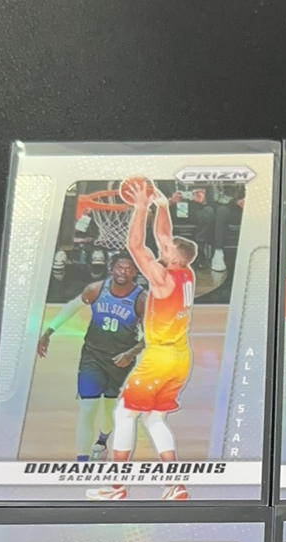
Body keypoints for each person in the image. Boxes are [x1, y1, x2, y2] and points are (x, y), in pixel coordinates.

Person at [89, 180, 198, 501]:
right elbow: (164, 236)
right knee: (153, 418)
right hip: (180, 357)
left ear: (174, 259)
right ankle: (175, 485)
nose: (162, 247)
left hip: (159, 357)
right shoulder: (186, 272)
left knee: (125, 414)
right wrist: (161, 205)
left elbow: (136, 246)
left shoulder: (163, 278)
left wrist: (140, 207)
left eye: (167, 249)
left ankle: (116, 486)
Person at [37, 254, 145, 462]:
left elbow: (152, 336)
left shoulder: (141, 299)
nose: (123, 272)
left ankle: (102, 442)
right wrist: (48, 332)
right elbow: (72, 307)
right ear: (111, 269)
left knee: (109, 409)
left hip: (120, 361)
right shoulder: (96, 290)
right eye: (119, 267)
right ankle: (82, 462)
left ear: (135, 272)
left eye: (128, 268)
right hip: (92, 356)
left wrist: (131, 353)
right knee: (88, 408)